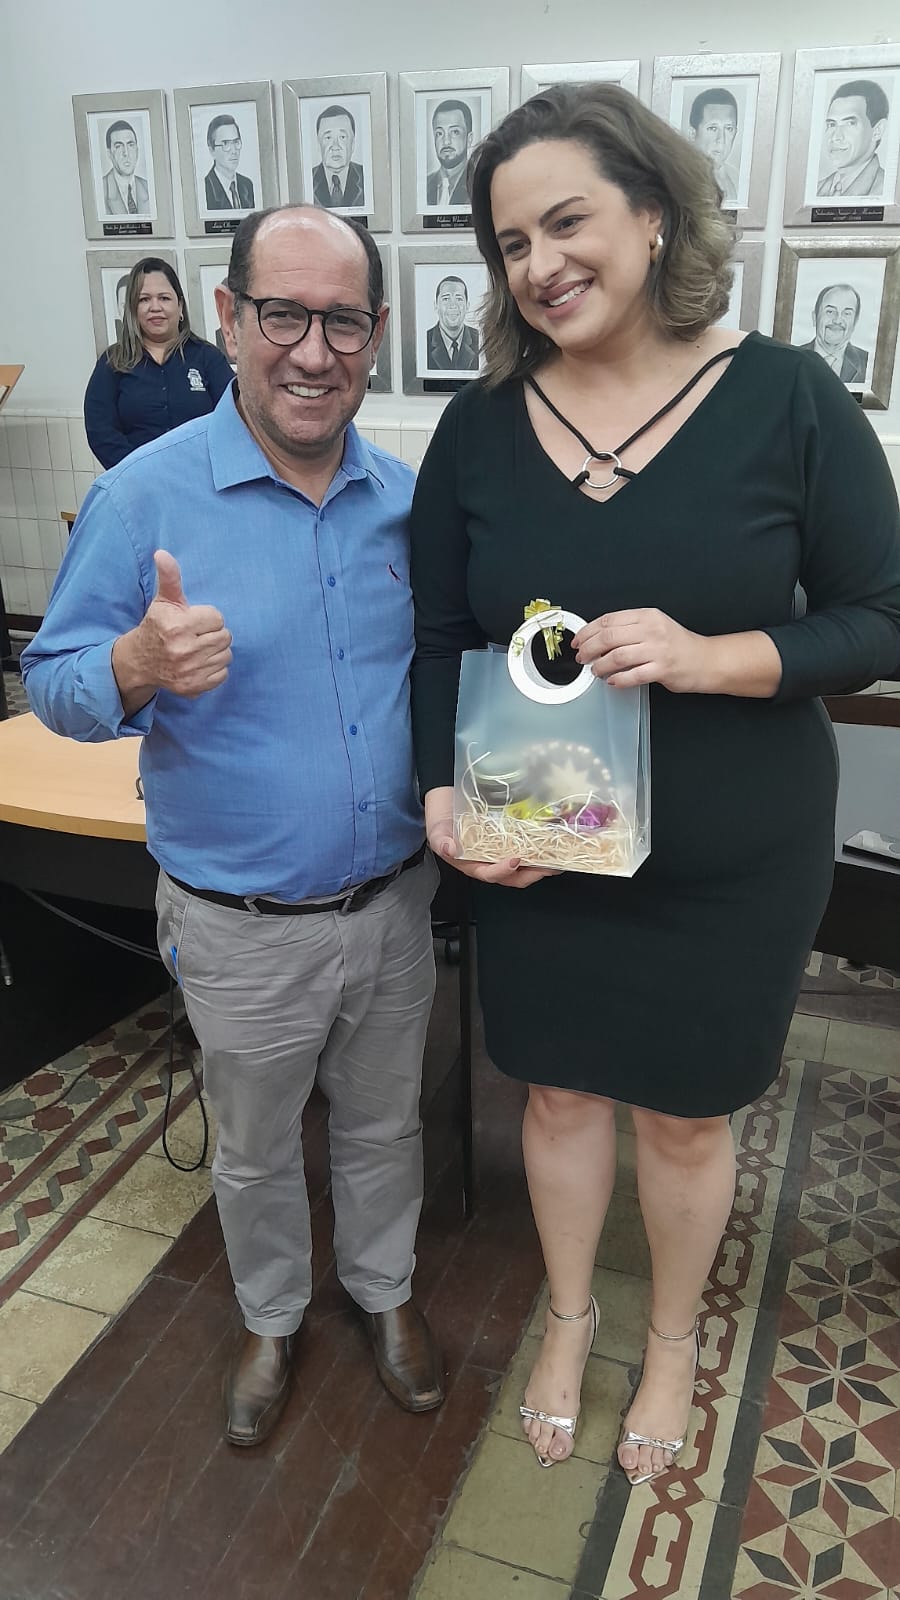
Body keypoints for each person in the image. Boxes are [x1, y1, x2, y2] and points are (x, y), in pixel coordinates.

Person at [409, 83, 900, 1486]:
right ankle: (570, 1319)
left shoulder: (789, 398)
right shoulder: (479, 426)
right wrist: (439, 796)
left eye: (566, 222)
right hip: (544, 839)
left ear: (654, 214)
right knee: (558, 1096)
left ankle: (674, 1341)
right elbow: (435, 635)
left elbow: (880, 616)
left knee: (689, 1115)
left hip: (731, 852)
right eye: (511, 243)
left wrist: (713, 656)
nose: (540, 263)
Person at [24, 204, 443, 1450]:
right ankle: (271, 1315)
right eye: (283, 316)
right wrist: (135, 664)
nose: (314, 350)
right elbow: (52, 681)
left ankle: (384, 1291)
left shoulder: (404, 503)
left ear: (377, 333)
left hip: (394, 908)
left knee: (387, 1123)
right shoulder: (141, 497)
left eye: (343, 321)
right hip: (240, 926)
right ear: (229, 318)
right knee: (256, 1149)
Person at [84, 257, 233, 469]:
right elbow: (100, 431)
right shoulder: (113, 363)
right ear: (132, 309)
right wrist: (139, 471)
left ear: (180, 306)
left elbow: (232, 420)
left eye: (164, 298)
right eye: (144, 299)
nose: (155, 307)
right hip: (135, 479)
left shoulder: (208, 358)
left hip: (201, 476)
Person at [816, 79, 889, 198]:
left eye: (850, 123)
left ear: (877, 131)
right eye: (832, 124)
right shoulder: (816, 190)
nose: (835, 137)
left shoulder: (887, 192)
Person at [799, 283, 869, 383]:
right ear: (814, 317)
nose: (837, 320)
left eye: (847, 313)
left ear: (855, 322)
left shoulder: (868, 362)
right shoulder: (793, 357)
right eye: (830, 312)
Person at [688, 88, 739, 206]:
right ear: (692, 133)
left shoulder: (737, 179)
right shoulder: (678, 177)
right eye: (712, 128)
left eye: (729, 128)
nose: (721, 140)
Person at [312, 104, 366, 209]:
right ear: (318, 145)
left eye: (342, 137)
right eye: (328, 137)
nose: (335, 146)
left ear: (353, 144)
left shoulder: (366, 177)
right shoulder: (307, 180)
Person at [426, 276, 480, 370]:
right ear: (436, 306)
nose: (453, 305)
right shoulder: (425, 341)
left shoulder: (479, 339)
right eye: (446, 299)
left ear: (467, 306)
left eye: (459, 299)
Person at [426, 99, 473, 206]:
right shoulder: (424, 186)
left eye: (455, 132)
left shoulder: (477, 183)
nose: (446, 141)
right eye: (439, 133)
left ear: (469, 139)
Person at [205, 114, 255, 210]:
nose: (234, 151)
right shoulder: (206, 188)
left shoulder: (247, 185)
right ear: (212, 150)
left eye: (236, 142)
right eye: (226, 143)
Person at [101, 119, 150, 216]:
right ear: (109, 154)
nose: (126, 153)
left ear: (137, 150)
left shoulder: (148, 186)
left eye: (130, 145)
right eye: (118, 146)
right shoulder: (100, 190)